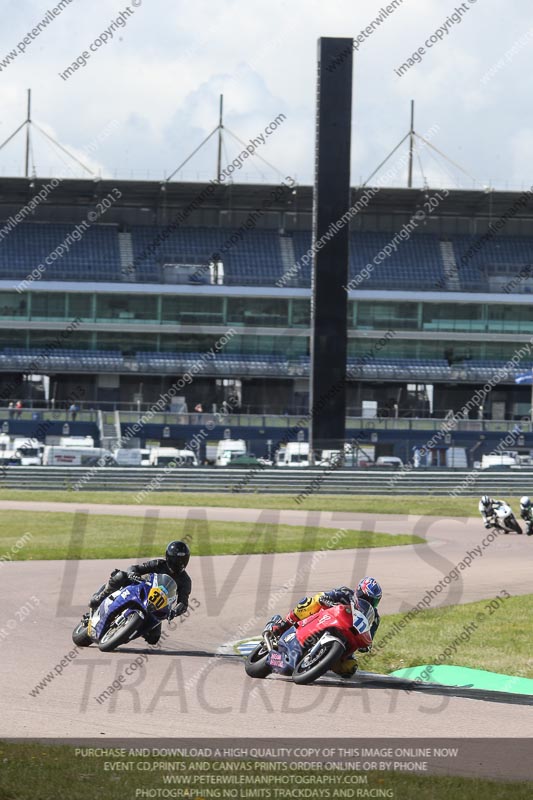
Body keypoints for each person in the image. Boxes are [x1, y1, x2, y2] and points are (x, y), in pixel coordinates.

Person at [267, 577, 382, 678]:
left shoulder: (374, 618)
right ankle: (284, 624)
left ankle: (321, 662)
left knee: (350, 668)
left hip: (348, 637)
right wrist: (326, 599)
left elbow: (370, 636)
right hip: (324, 619)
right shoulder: (345, 593)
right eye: (366, 597)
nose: (369, 602)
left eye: (374, 601)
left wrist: (366, 645)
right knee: (310, 602)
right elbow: (325, 596)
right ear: (359, 591)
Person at [87, 541, 192, 644]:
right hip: (140, 588)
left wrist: (175, 611)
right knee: (120, 576)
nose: (179, 563)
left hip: (156, 606)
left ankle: (130, 629)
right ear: (168, 557)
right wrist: (133, 573)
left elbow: (183, 602)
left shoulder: (185, 580)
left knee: (154, 638)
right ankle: (100, 597)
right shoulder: (159, 564)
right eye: (176, 559)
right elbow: (137, 568)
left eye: (182, 560)